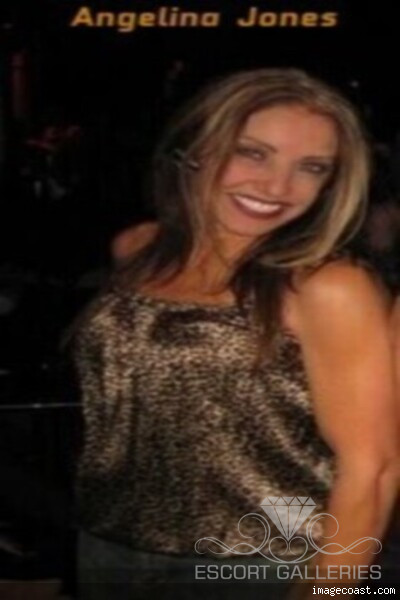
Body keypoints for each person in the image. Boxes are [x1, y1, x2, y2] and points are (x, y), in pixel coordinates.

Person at [73, 69, 399, 599]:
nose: (277, 187)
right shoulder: (139, 249)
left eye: (311, 167)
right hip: (108, 545)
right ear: (196, 147)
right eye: (253, 153)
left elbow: (374, 469)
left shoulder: (326, 286)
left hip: (261, 562)